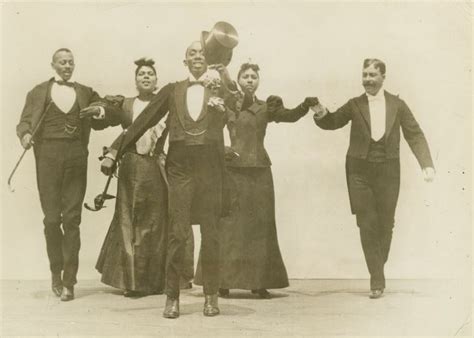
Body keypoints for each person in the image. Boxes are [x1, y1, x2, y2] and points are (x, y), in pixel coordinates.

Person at [100, 41, 233, 318]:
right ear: (185, 61)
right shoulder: (173, 90)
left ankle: (211, 296)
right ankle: (172, 298)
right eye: (192, 54)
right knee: (177, 232)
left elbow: (236, 112)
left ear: (209, 59)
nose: (198, 57)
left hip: (210, 167)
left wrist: (225, 95)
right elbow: (144, 120)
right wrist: (116, 151)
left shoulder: (218, 85)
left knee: (211, 233)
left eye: (202, 53)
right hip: (181, 167)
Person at [313, 58, 435, 299]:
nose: (367, 79)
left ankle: (377, 268)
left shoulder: (398, 105)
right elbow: (333, 122)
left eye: (372, 75)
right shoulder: (355, 104)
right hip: (359, 171)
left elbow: (415, 134)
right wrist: (319, 110)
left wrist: (427, 164)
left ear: (383, 77)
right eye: (364, 74)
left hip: (388, 172)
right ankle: (376, 280)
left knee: (385, 224)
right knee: (367, 223)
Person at [194, 63, 318, 298]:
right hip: (231, 171)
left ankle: (259, 283)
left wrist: (305, 105)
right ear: (239, 80)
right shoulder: (226, 105)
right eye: (246, 76)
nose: (250, 79)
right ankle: (222, 282)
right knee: (228, 226)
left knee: (260, 228)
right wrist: (223, 149)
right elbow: (208, 129)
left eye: (254, 76)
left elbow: (288, 116)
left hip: (259, 173)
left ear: (258, 81)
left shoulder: (266, 107)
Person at [16, 48, 120, 301]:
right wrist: (26, 135)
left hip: (75, 157)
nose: (67, 66)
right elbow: (24, 122)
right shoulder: (38, 91)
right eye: (62, 62)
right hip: (47, 157)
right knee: (52, 220)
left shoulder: (85, 92)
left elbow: (109, 113)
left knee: (72, 220)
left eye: (71, 62)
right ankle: (56, 273)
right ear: (53, 65)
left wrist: (99, 111)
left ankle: (69, 281)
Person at [95, 58, 169, 297]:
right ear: (136, 80)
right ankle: (132, 282)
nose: (146, 77)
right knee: (129, 221)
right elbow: (108, 114)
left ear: (156, 80)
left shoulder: (165, 104)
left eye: (150, 74)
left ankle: (153, 281)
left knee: (154, 223)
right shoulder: (126, 105)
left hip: (155, 166)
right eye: (141, 74)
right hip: (130, 167)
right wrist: (99, 111)